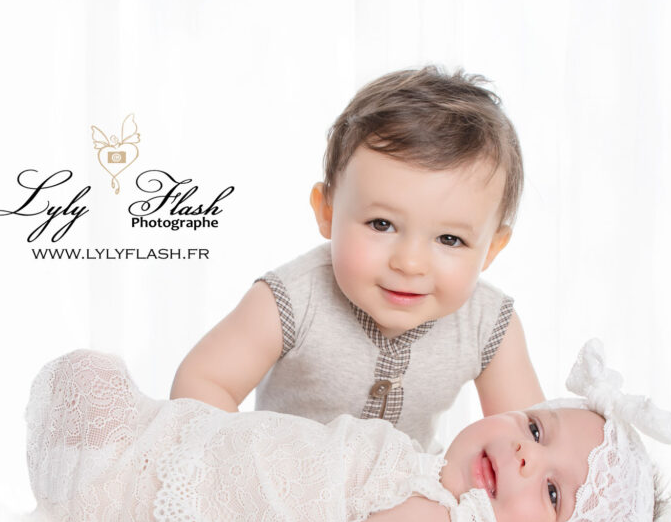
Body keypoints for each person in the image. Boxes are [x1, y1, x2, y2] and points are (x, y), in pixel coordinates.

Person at [26, 340, 671, 522]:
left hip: (158, 505)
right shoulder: (427, 476)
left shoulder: (434, 519)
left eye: (552, 491)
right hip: (193, 453)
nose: (524, 454)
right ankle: (111, 451)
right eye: (537, 429)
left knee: (88, 381)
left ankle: (93, 487)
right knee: (93, 385)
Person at [169, 66, 544, 450]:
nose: (410, 263)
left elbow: (531, 439)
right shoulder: (292, 301)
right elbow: (201, 381)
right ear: (328, 211)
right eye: (381, 224)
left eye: (450, 239)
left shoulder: (488, 324)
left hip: (409, 499)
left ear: (492, 248)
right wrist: (251, 469)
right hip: (291, 490)